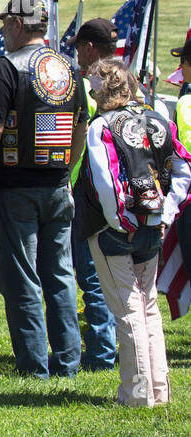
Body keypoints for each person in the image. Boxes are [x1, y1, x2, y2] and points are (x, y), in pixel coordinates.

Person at [0, 0, 87, 379]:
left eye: (5, 24)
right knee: (60, 274)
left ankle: (34, 365)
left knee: (21, 277)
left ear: (18, 25)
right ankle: (69, 361)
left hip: (13, 188)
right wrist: (67, 173)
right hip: (57, 186)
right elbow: (80, 127)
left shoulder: (6, 68)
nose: (3, 32)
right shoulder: (69, 68)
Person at [75, 58, 190, 406]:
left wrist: (120, 220)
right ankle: (158, 389)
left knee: (127, 310)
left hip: (115, 229)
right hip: (152, 225)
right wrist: (165, 214)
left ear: (106, 88)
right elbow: (183, 168)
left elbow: (105, 181)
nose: (90, 89)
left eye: (94, 84)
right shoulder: (158, 118)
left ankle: (137, 395)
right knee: (148, 306)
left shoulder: (102, 127)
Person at [69, 18, 120, 369]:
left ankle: (101, 352)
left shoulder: (90, 89)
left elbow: (78, 144)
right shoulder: (129, 86)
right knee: (119, 276)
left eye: (77, 47)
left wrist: (66, 183)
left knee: (92, 275)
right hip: (124, 197)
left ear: (89, 48)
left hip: (89, 193)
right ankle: (118, 346)